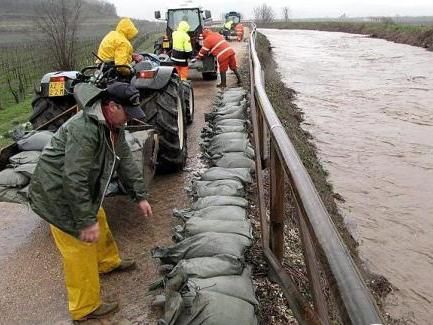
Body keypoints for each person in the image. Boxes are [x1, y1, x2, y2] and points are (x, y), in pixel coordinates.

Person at [29, 82, 153, 321]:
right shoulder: (84, 129)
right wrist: (84, 221)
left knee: (99, 217)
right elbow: (74, 178)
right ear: (112, 106)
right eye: (127, 113)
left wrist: (140, 196)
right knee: (80, 245)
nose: (129, 119)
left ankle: (107, 262)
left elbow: (125, 160)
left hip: (76, 186)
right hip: (58, 193)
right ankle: (85, 307)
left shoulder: (114, 126)